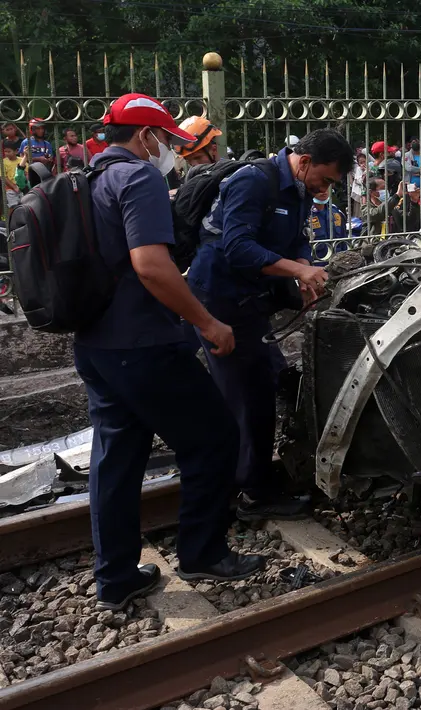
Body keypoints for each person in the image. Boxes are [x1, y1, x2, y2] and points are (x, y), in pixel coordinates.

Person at [75, 93, 266, 609]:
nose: (171, 151)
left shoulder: (85, 180)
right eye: (166, 140)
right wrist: (206, 322)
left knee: (116, 460)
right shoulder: (138, 178)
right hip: (145, 345)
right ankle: (203, 552)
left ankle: (115, 578)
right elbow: (152, 266)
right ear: (145, 137)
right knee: (213, 437)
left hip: (95, 346)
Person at [189, 128, 351, 522]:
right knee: (249, 399)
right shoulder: (254, 180)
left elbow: (294, 242)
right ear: (306, 161)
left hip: (250, 301)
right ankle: (251, 494)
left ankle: (240, 479)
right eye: (325, 179)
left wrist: (301, 273)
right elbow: (237, 246)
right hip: (221, 302)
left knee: (265, 384)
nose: (325, 189)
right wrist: (296, 268)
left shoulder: (296, 191)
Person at [307, 188, 347, 264]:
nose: (324, 191)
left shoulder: (336, 212)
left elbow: (343, 241)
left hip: (337, 264)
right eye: (319, 187)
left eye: (327, 187)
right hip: (315, 265)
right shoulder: (306, 213)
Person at [2, 140, 21, 221]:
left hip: (21, 187)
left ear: (16, 151)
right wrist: (14, 187)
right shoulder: (3, 162)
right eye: (5, 151)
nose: (6, 153)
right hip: (10, 189)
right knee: (12, 206)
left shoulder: (21, 160)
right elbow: (3, 176)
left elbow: (26, 173)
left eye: (9, 151)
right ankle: (11, 222)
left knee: (23, 204)